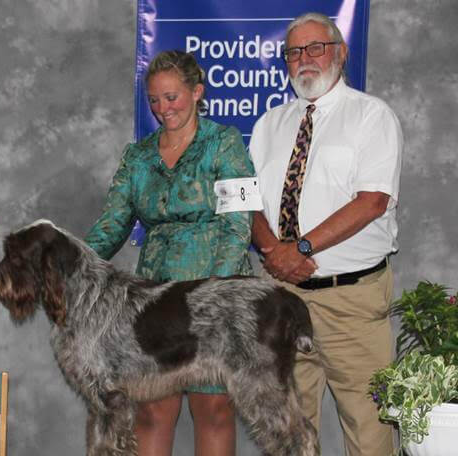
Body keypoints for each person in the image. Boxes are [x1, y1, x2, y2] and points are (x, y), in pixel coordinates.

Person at [85, 50, 256, 456]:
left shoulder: (225, 142)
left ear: (197, 92)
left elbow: (238, 223)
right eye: (155, 100)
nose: (164, 109)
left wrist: (215, 294)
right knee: (152, 409)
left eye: (172, 97)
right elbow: (112, 225)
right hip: (156, 299)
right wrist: (74, 265)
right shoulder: (137, 156)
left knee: (213, 408)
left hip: (215, 291)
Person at [249, 12, 403, 456]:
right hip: (281, 296)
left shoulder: (373, 117)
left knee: (369, 428)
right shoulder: (268, 125)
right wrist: (271, 251)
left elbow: (373, 200)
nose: (304, 59)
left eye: (316, 48)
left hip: (350, 302)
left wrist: (299, 248)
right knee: (288, 430)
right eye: (294, 52)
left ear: (340, 52)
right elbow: (246, 199)